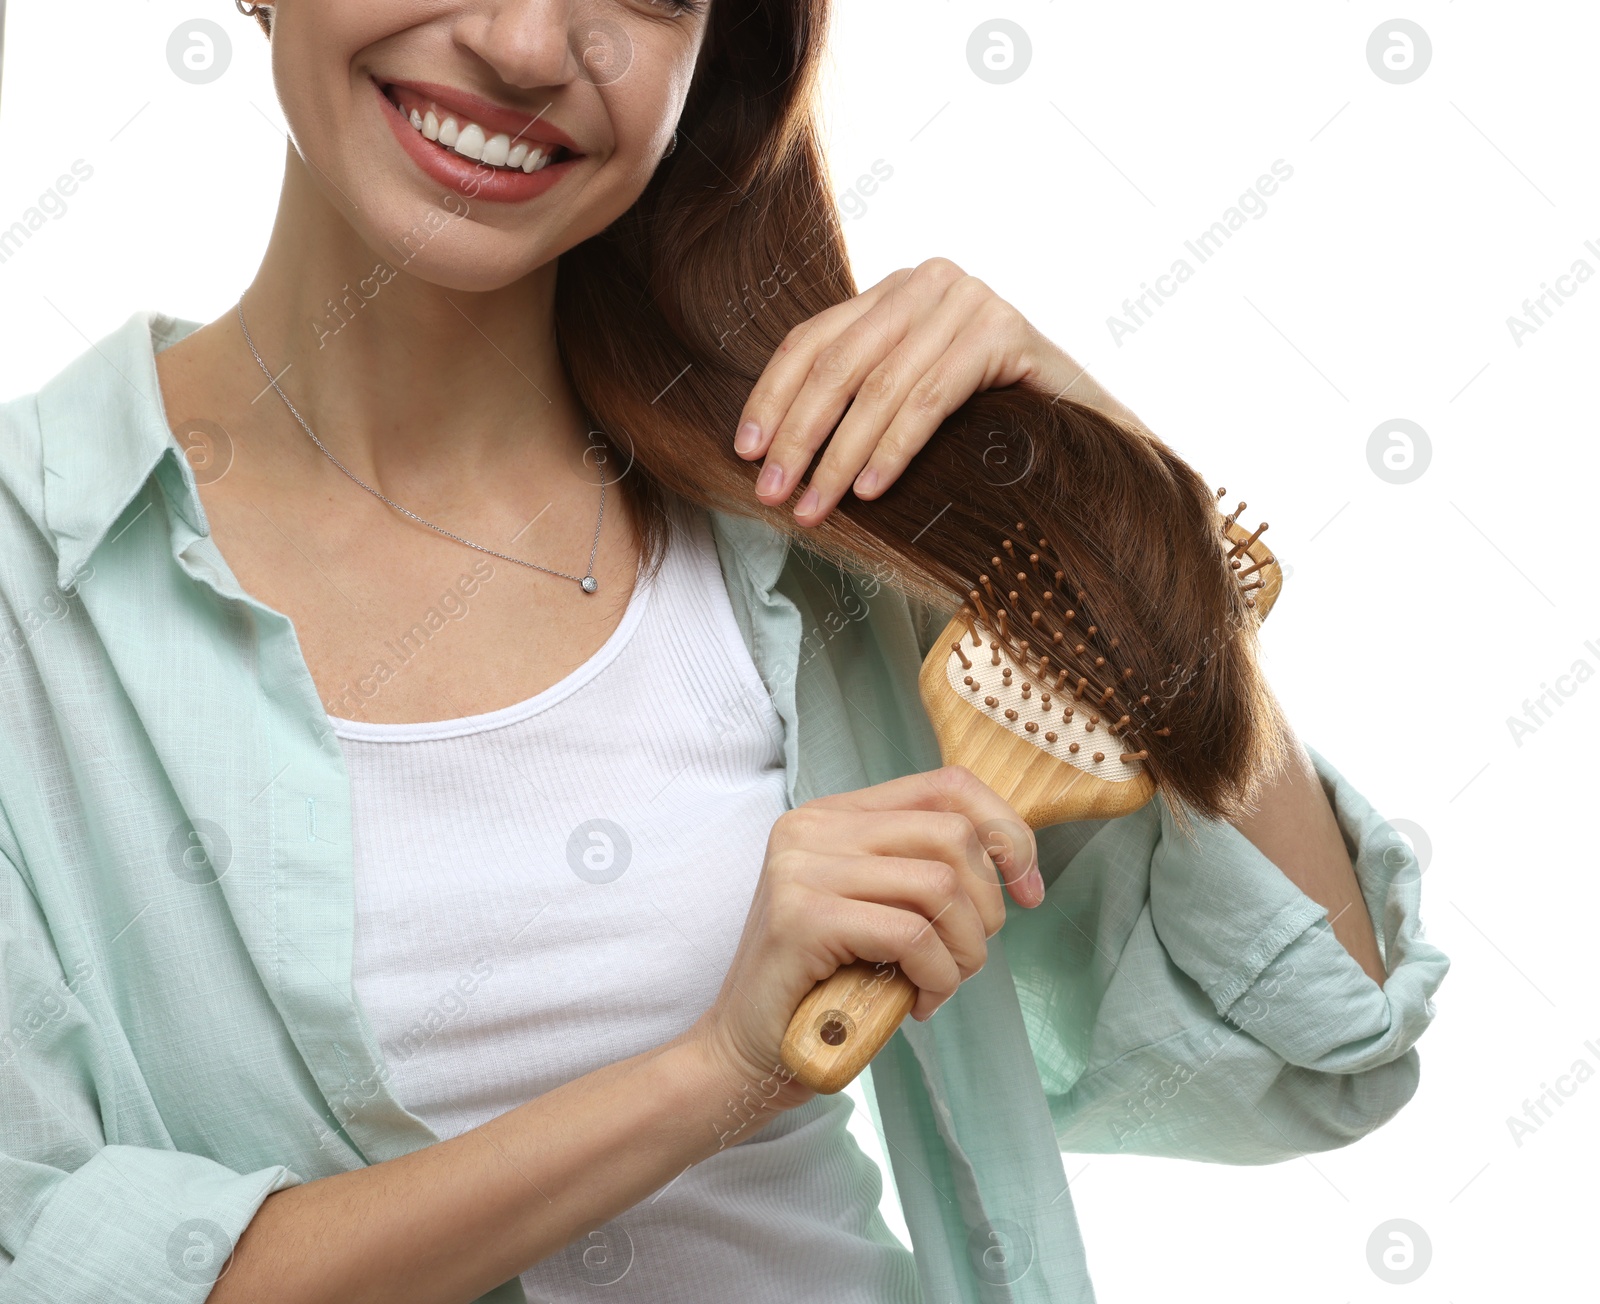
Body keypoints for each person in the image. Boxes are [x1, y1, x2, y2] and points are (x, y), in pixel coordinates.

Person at [0, 2, 1448, 1301]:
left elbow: (1323, 1036)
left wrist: (1111, 489)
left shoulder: (822, 523)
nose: (523, 44)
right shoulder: (30, 586)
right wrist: (719, 1068)